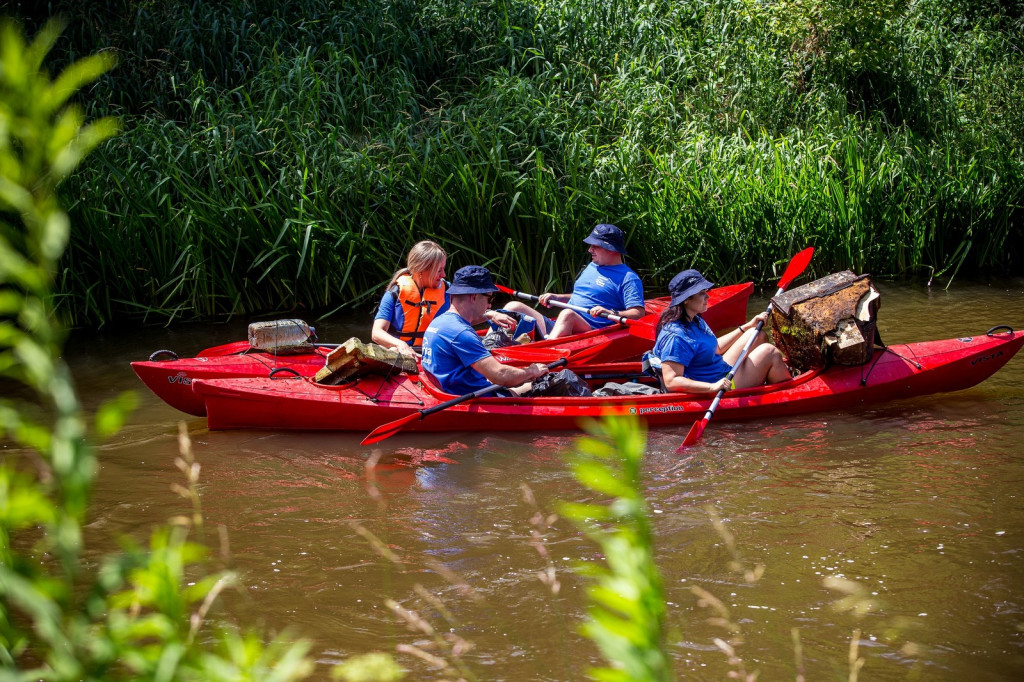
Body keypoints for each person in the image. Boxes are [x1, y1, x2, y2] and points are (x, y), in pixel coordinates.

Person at [649, 269, 790, 393]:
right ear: (686, 300)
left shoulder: (695, 319)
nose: (708, 297)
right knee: (770, 352)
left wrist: (748, 325)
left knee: (757, 334)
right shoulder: (676, 336)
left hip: (718, 369)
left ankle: (767, 377)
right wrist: (713, 387)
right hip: (718, 384)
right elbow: (671, 381)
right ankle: (786, 392)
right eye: (702, 293)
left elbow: (716, 348)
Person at [422, 266, 552, 395]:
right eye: (489, 299)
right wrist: (531, 371)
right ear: (474, 296)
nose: (490, 305)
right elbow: (500, 375)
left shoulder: (438, 323)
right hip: (479, 399)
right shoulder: (462, 334)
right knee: (546, 383)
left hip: (453, 390)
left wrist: (490, 314)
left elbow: (467, 322)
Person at [372, 240, 515, 357]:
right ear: (422, 270)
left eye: (443, 269)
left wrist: (490, 315)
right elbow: (377, 333)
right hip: (401, 353)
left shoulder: (448, 290)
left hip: (434, 351)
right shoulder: (394, 294)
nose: (444, 275)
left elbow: (465, 316)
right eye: (439, 270)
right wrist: (400, 344)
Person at [503, 223, 645, 339]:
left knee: (567, 314)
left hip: (586, 332)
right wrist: (557, 297)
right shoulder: (592, 266)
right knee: (513, 306)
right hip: (563, 325)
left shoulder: (628, 278)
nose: (590, 250)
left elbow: (638, 313)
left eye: (596, 246)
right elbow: (582, 296)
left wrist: (613, 313)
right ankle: (491, 346)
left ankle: (546, 349)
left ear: (612, 250)